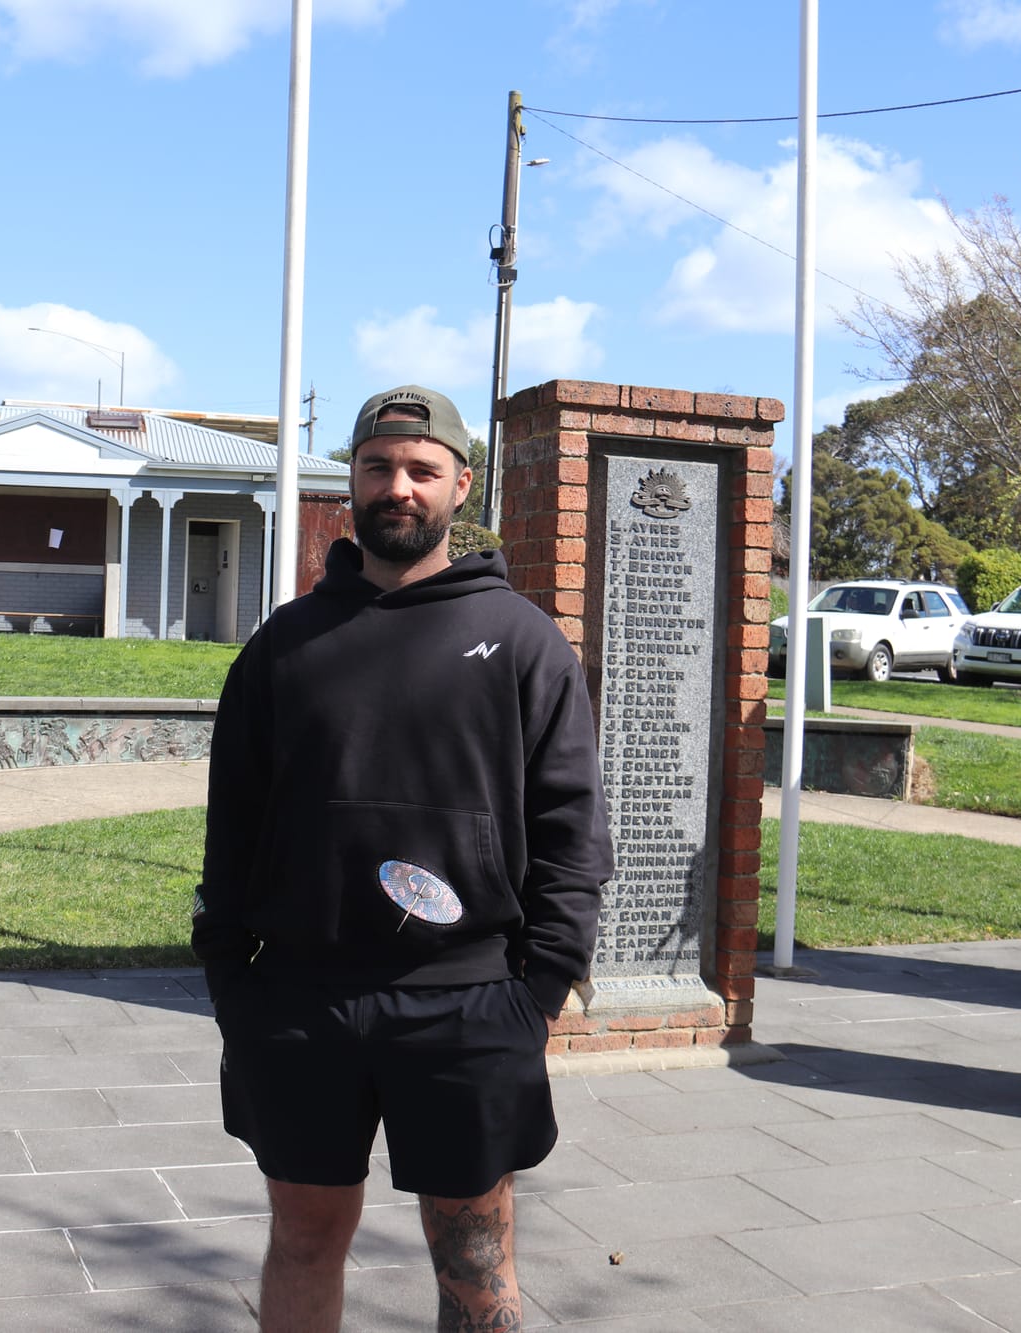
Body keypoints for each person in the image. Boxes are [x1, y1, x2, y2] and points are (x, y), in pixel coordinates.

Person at [193, 384, 613, 1332]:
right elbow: (234, 826)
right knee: (302, 1240)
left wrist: (534, 992)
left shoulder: (519, 641)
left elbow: (572, 835)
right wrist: (233, 981)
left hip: (467, 1006)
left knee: (476, 1260)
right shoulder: (285, 647)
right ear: (350, 482)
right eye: (379, 467)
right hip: (301, 1003)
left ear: (460, 486)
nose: (399, 487)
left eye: (422, 470)